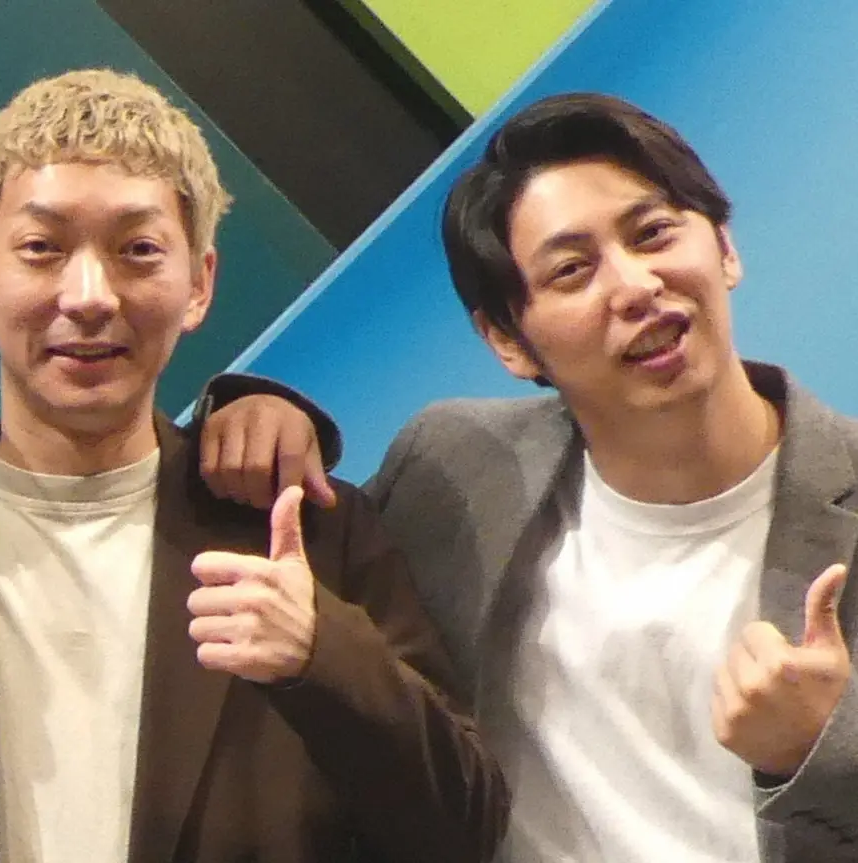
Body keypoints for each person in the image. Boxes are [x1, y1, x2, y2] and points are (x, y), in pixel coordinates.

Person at [197, 93, 858, 862]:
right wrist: (258, 411)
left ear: (724, 247)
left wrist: (821, 748)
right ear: (507, 341)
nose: (635, 285)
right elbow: (309, 602)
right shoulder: (452, 467)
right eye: (572, 269)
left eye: (652, 234)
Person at [0, 68, 508, 863]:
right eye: (42, 249)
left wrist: (322, 652)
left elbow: (462, 830)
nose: (88, 295)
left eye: (137, 250)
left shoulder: (301, 531)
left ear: (198, 283)